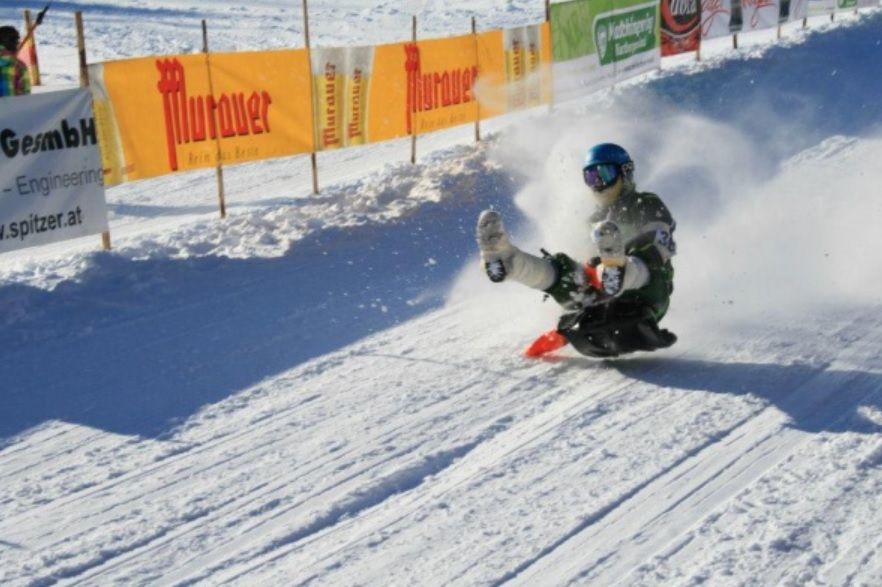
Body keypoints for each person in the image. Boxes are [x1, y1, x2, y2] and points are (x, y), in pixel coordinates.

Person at [476, 142, 677, 358]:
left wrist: (632, 255)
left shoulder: (645, 203)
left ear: (624, 173)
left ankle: (617, 270)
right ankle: (509, 262)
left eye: (604, 174)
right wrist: (560, 332)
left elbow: (659, 242)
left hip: (648, 291)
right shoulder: (594, 220)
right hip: (601, 298)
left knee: (643, 253)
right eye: (591, 177)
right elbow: (583, 266)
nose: (598, 184)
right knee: (567, 272)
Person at [0, 26, 31, 97]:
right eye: (16, 40)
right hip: (12, 107)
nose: (18, 43)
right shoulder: (19, 65)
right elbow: (25, 96)